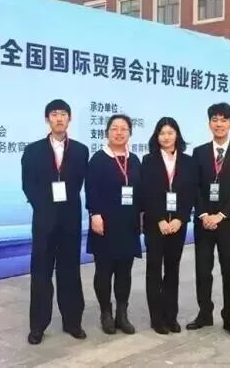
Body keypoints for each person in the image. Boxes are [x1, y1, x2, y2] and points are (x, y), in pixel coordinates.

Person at [21, 99, 89, 345]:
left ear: (69, 119)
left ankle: (73, 322)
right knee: (41, 273)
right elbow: (28, 185)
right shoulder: (33, 150)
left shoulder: (80, 150)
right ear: (47, 119)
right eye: (54, 114)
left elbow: (80, 183)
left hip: (70, 220)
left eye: (63, 114)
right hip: (44, 221)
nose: (59, 118)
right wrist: (44, 208)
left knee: (70, 271)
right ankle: (38, 326)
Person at [187, 102, 230, 338]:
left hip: (228, 222)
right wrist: (204, 215)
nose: (219, 124)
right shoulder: (199, 153)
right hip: (204, 222)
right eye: (215, 119)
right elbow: (195, 187)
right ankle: (205, 314)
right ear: (209, 124)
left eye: (224, 120)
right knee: (203, 271)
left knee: (228, 271)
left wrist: (220, 216)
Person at [85, 114, 142, 335]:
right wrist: (95, 213)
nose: (119, 133)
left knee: (124, 272)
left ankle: (122, 314)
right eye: (114, 128)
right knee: (104, 271)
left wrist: (142, 215)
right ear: (106, 133)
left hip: (128, 224)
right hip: (105, 223)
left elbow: (140, 191)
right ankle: (105, 313)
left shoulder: (134, 160)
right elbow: (91, 188)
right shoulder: (98, 159)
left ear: (130, 133)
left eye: (124, 129)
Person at [141, 117, 197, 335]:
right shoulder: (148, 161)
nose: (166, 137)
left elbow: (191, 193)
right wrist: (160, 220)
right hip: (155, 225)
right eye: (162, 133)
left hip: (177, 225)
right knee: (154, 270)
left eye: (170, 133)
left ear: (177, 135)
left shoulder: (188, 162)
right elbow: (146, 193)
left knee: (172, 270)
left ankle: (171, 316)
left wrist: (180, 219)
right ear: (157, 136)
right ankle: (156, 319)